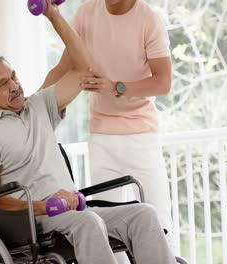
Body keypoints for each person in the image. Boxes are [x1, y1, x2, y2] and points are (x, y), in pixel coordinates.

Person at [0, 1, 175, 263]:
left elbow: (85, 68)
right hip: (35, 220)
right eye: (4, 84)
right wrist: (43, 206)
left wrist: (53, 15)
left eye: (14, 76)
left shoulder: (38, 105)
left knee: (144, 214)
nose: (16, 86)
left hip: (75, 209)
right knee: (88, 221)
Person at [41, 0, 177, 254]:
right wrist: (29, 107)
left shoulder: (149, 19)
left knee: (159, 224)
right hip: (101, 136)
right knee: (109, 228)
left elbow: (163, 81)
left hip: (141, 136)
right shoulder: (86, 14)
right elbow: (64, 67)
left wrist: (118, 87)